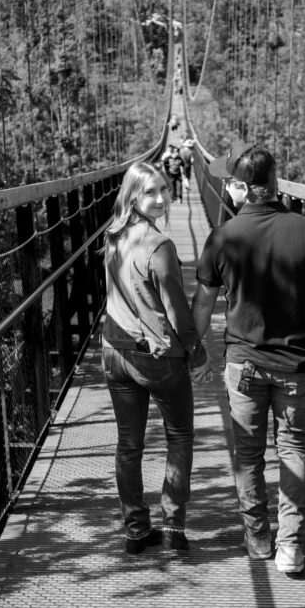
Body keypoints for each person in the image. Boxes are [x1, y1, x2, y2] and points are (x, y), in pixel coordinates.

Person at [192, 144, 305, 572]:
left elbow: (203, 305)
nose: (226, 188)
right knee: (294, 448)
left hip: (244, 364)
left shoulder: (222, 237)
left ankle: (258, 538)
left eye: (230, 183)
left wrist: (194, 349)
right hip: (297, 365)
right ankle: (290, 546)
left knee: (248, 454)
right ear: (275, 185)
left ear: (242, 188)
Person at [102, 161, 209, 555]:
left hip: (114, 352)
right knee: (179, 436)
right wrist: (197, 353)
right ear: (133, 195)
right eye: (151, 192)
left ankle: (134, 531)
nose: (162, 198)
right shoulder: (160, 246)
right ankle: (173, 529)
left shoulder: (113, 235)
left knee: (129, 444)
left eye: (164, 189)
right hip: (156, 359)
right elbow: (177, 312)